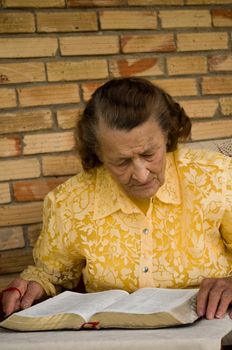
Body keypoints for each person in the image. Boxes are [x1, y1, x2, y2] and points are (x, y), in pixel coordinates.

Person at [1, 77, 232, 321]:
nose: (141, 174)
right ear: (98, 154)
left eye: (149, 154)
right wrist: (31, 286)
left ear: (167, 135)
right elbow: (50, 273)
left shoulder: (217, 178)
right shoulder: (70, 201)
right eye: (122, 161)